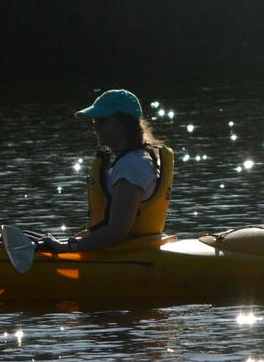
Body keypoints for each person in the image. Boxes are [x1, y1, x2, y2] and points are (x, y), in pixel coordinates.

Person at [39, 89, 174, 254]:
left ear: (124, 123)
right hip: (128, 251)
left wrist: (67, 248)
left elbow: (117, 231)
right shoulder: (134, 159)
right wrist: (70, 241)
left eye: (102, 120)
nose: (95, 127)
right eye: (94, 121)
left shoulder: (132, 165)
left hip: (128, 257)